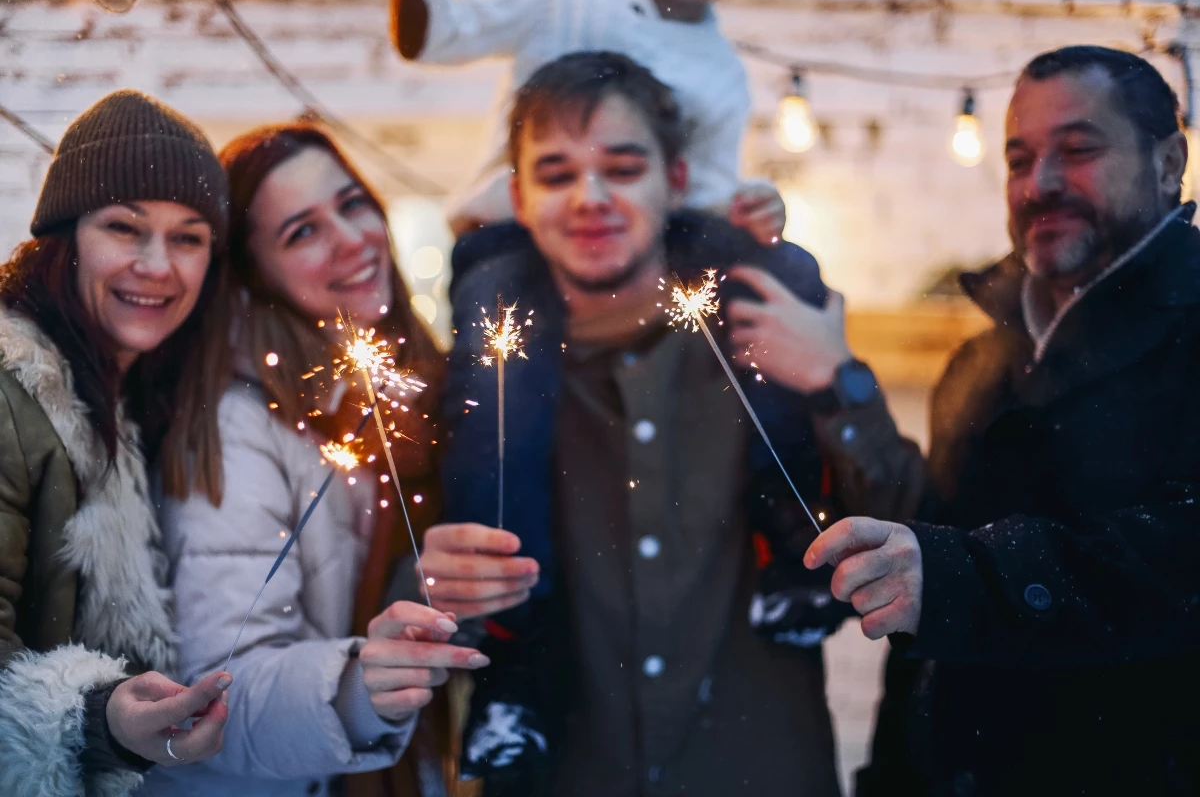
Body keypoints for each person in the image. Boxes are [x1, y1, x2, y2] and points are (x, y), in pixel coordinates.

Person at [423, 51, 924, 796]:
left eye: (623, 168)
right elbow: (413, 572)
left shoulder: (775, 333)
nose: (591, 196)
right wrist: (440, 585)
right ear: (520, 200)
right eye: (557, 174)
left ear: (677, 181)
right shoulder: (482, 380)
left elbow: (917, 533)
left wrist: (838, 384)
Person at [801, 45, 1200, 795]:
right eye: (1019, 160)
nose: (1040, 184)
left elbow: (1180, 559)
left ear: (1167, 159)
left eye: (1077, 150)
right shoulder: (980, 363)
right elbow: (929, 593)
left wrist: (961, 577)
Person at [137, 124, 488, 797]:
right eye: (302, 232)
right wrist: (358, 687)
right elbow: (212, 693)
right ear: (253, 273)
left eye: (352, 204)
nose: (352, 239)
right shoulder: (238, 427)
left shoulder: (404, 396)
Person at [0, 89, 234, 796]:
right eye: (125, 228)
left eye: (188, 236)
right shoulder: (11, 397)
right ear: (65, 240)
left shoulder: (131, 402)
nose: (158, 265)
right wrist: (98, 717)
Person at [390, 0, 787, 245]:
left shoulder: (724, 77)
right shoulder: (565, 4)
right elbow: (435, 34)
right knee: (504, 361)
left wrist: (750, 212)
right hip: (508, 235)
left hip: (632, 256)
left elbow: (704, 200)